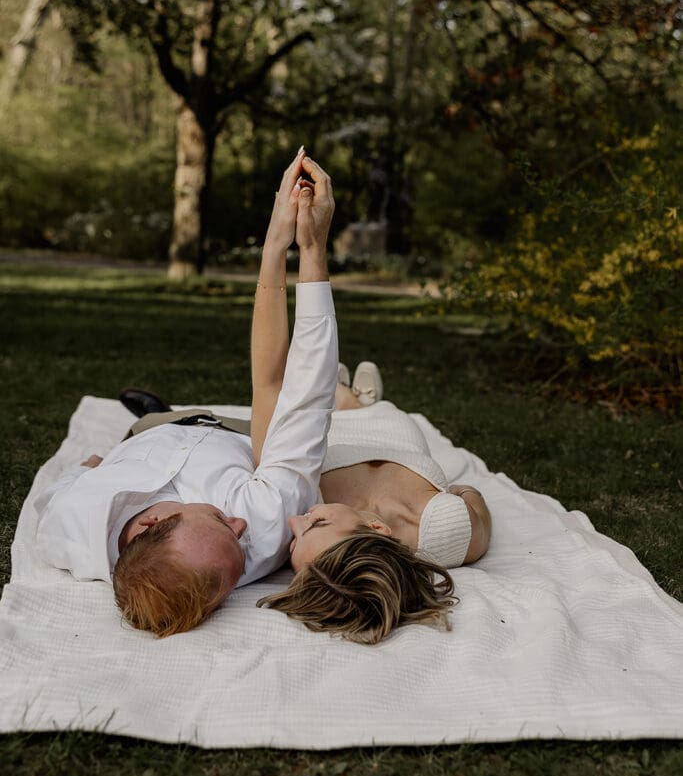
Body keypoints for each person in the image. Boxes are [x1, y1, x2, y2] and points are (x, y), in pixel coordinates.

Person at [34, 148, 338, 637]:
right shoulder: (257, 526)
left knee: (146, 420)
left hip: (144, 436)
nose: (240, 529)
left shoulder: (69, 526)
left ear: (151, 523)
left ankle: (157, 412)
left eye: (222, 522)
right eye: (240, 554)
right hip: (237, 431)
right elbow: (298, 392)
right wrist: (308, 248)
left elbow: (54, 494)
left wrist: (87, 468)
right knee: (307, 411)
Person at [256, 368, 492, 643]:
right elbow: (476, 507)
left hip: (332, 434)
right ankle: (352, 399)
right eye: (317, 523)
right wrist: (461, 490)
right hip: (392, 431)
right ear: (377, 528)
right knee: (373, 407)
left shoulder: (302, 501)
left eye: (293, 542)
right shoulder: (446, 530)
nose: (293, 521)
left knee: (319, 413)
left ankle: (343, 395)